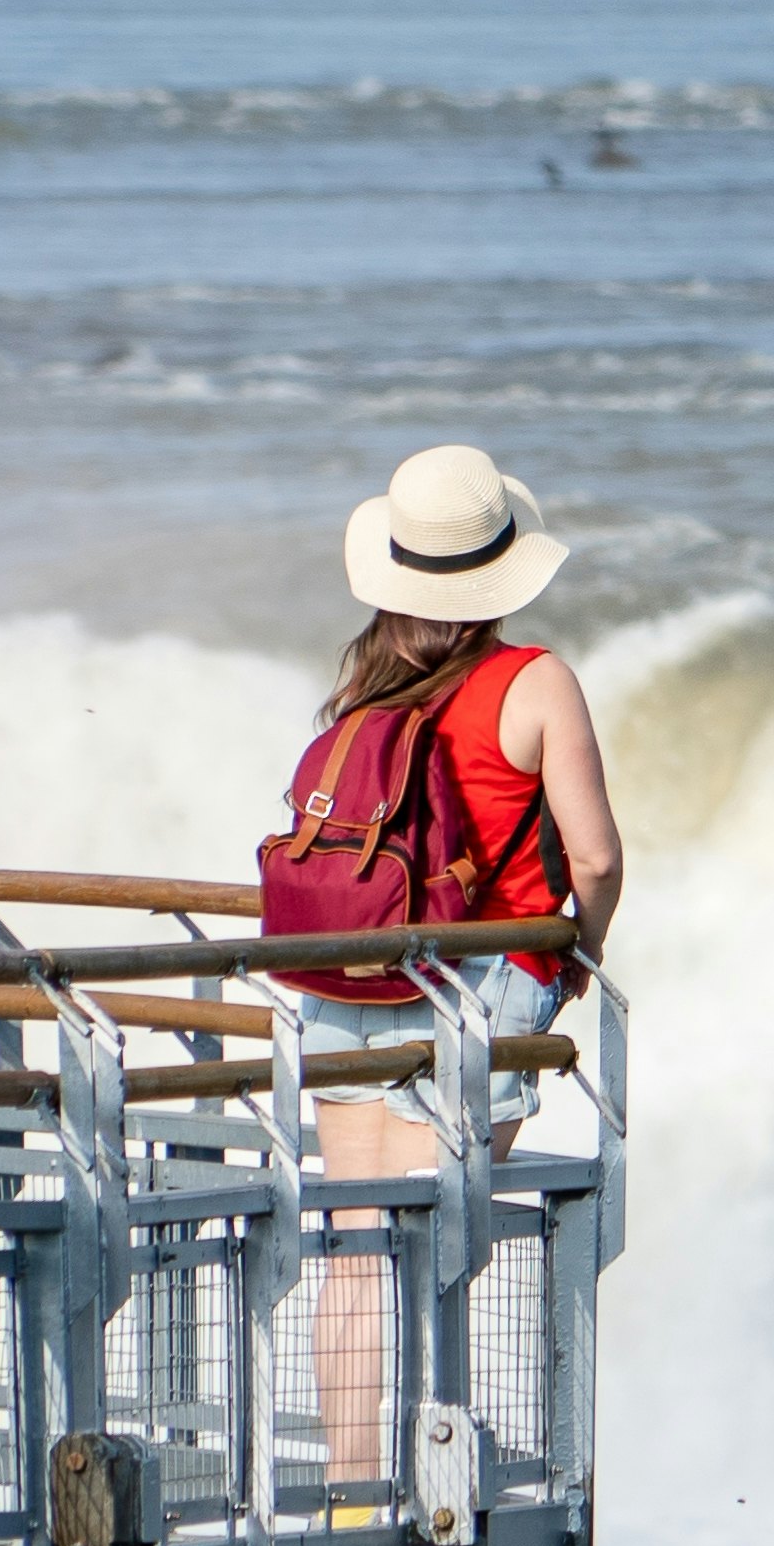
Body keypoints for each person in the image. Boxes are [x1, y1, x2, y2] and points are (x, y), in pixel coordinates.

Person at [283, 442, 622, 1485]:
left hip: (349, 974)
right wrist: (579, 957)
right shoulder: (535, 682)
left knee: (355, 1249)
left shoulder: (366, 687)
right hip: (483, 991)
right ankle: (436, 1482)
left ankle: (349, 1488)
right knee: (446, 1245)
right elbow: (598, 857)